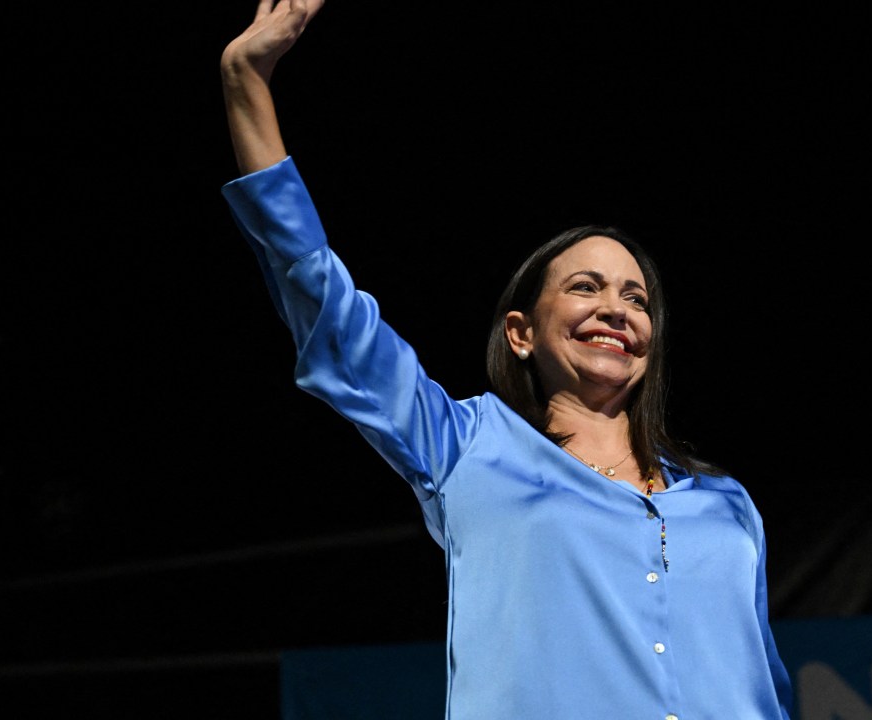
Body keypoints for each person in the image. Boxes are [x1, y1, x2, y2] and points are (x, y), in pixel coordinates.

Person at [219, 1, 794, 718]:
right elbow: (322, 299)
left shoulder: (726, 506)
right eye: (585, 288)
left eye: (636, 298)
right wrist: (246, 82)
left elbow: (764, 686)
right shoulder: (467, 450)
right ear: (521, 332)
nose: (617, 309)